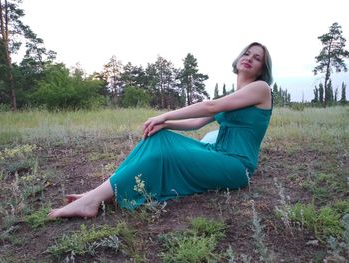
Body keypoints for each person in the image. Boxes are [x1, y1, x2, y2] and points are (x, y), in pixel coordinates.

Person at [48, 42, 273, 218]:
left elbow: (210, 106)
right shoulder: (235, 96)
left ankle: (93, 200)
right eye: (247, 54)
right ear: (239, 58)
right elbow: (196, 123)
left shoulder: (261, 89)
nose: (249, 59)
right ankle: (99, 193)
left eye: (257, 58)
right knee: (159, 137)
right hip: (218, 153)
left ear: (262, 68)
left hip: (237, 165)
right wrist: (164, 125)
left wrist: (165, 115)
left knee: (166, 154)